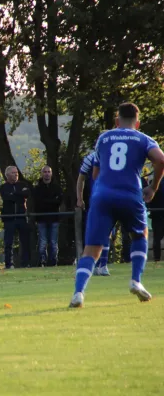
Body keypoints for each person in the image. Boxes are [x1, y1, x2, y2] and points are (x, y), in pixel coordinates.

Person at [69, 102, 164, 308]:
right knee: (140, 235)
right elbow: (161, 160)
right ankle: (135, 281)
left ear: (116, 121)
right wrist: (153, 188)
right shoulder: (144, 139)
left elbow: (95, 173)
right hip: (130, 194)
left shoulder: (104, 137)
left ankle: (78, 293)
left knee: (91, 249)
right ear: (137, 123)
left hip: (102, 196)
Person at [77, 151, 111, 275]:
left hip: (111, 198)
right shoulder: (90, 158)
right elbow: (81, 178)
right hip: (96, 199)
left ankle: (103, 265)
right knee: (95, 231)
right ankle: (96, 264)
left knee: (108, 233)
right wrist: (79, 198)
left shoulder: (111, 155)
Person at [0, 166, 31, 268]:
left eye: (16, 172)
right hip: (9, 219)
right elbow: (6, 197)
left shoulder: (23, 185)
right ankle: (8, 264)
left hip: (21, 217)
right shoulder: (3, 187)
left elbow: (26, 194)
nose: (16, 174)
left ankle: (25, 263)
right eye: (13, 173)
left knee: (25, 241)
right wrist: (19, 195)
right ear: (7, 175)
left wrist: (15, 194)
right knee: (8, 243)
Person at [33, 166, 63, 267]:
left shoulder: (57, 188)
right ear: (42, 174)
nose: (46, 174)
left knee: (53, 242)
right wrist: (51, 201)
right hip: (41, 219)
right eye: (45, 172)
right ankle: (42, 261)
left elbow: (58, 201)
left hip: (54, 218)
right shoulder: (37, 188)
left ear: (51, 173)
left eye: (48, 172)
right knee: (43, 242)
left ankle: (53, 262)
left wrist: (47, 201)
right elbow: (38, 202)